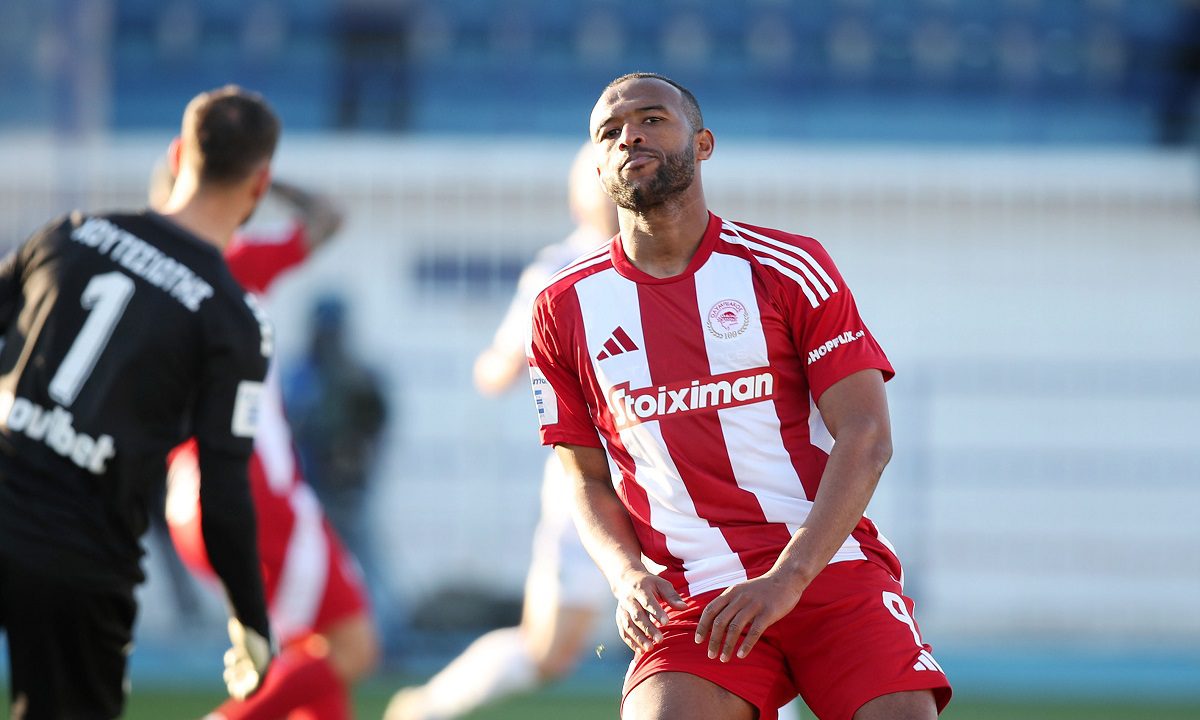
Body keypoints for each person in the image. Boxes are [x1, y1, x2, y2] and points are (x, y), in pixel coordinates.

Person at [526, 73, 953, 720]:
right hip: (693, 590)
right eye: (609, 132)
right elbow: (584, 476)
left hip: (826, 565)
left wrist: (787, 579)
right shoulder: (561, 309)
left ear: (703, 144)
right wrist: (626, 574)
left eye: (651, 119)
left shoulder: (789, 267)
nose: (629, 136)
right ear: (596, 166)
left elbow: (866, 436)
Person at [0, 85, 277, 719]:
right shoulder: (232, 321)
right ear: (260, 183)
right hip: (78, 560)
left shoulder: (72, 234)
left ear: (177, 155)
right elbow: (222, 493)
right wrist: (250, 618)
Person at [383, 143, 620, 720]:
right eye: (598, 173)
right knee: (548, 650)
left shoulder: (683, 258)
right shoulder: (557, 269)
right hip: (590, 478)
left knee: (728, 615)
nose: (610, 185)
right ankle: (425, 708)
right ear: (579, 195)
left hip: (675, 474)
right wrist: (516, 359)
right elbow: (497, 369)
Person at [158, 173, 381, 719]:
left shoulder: (150, 280)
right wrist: (264, 178)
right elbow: (328, 217)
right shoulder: (227, 263)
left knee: (311, 652)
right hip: (254, 489)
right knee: (354, 647)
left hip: (188, 499)